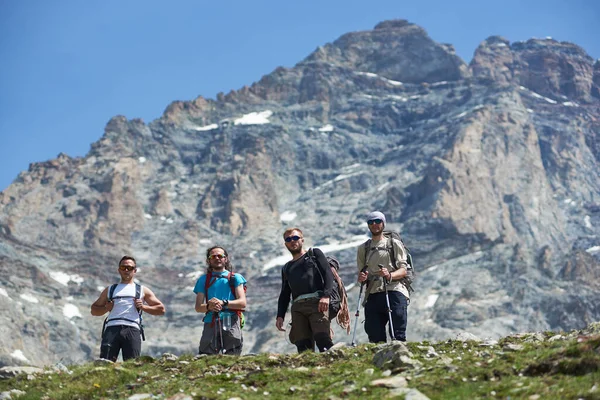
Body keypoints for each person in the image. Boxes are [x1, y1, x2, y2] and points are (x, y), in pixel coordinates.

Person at [91, 255, 165, 362]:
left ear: (134, 271)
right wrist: (106, 308)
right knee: (105, 363)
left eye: (129, 268)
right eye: (123, 267)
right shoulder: (110, 289)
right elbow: (94, 310)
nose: (126, 270)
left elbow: (161, 309)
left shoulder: (142, 290)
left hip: (132, 329)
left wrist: (143, 307)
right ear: (119, 270)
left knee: (133, 364)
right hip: (112, 328)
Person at [276, 228, 335, 352]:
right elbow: (285, 293)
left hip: (317, 303)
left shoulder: (314, 254)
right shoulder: (286, 267)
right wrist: (280, 315)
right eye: (288, 239)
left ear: (302, 239)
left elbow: (328, 274)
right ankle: (309, 370)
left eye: (295, 238)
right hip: (297, 308)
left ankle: (334, 366)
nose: (292, 241)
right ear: (285, 243)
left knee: (322, 338)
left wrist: (326, 296)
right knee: (302, 344)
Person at [357, 211, 410, 342]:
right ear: (368, 225)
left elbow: (404, 270)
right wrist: (362, 278)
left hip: (394, 290)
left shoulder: (394, 243)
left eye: (377, 221)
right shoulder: (363, 248)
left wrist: (389, 275)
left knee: (397, 332)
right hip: (373, 293)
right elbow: (362, 272)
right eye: (371, 222)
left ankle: (400, 356)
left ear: (383, 223)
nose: (374, 224)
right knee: (374, 334)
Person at [194, 246, 247, 355]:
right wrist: (210, 306)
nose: (217, 258)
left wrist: (223, 303)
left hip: (231, 320)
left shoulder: (235, 278)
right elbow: (198, 307)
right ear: (208, 260)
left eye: (220, 256)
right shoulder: (203, 280)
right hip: (211, 320)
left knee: (232, 355)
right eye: (213, 256)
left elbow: (242, 303)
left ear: (225, 259)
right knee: (206, 356)